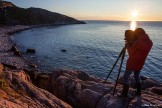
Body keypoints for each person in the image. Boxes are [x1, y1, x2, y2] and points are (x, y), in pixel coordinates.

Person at [120, 28, 153, 98]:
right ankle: (138, 92)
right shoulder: (150, 42)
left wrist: (128, 45)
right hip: (141, 62)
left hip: (132, 62)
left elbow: (131, 52)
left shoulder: (137, 42)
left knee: (125, 77)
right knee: (137, 76)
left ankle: (124, 94)